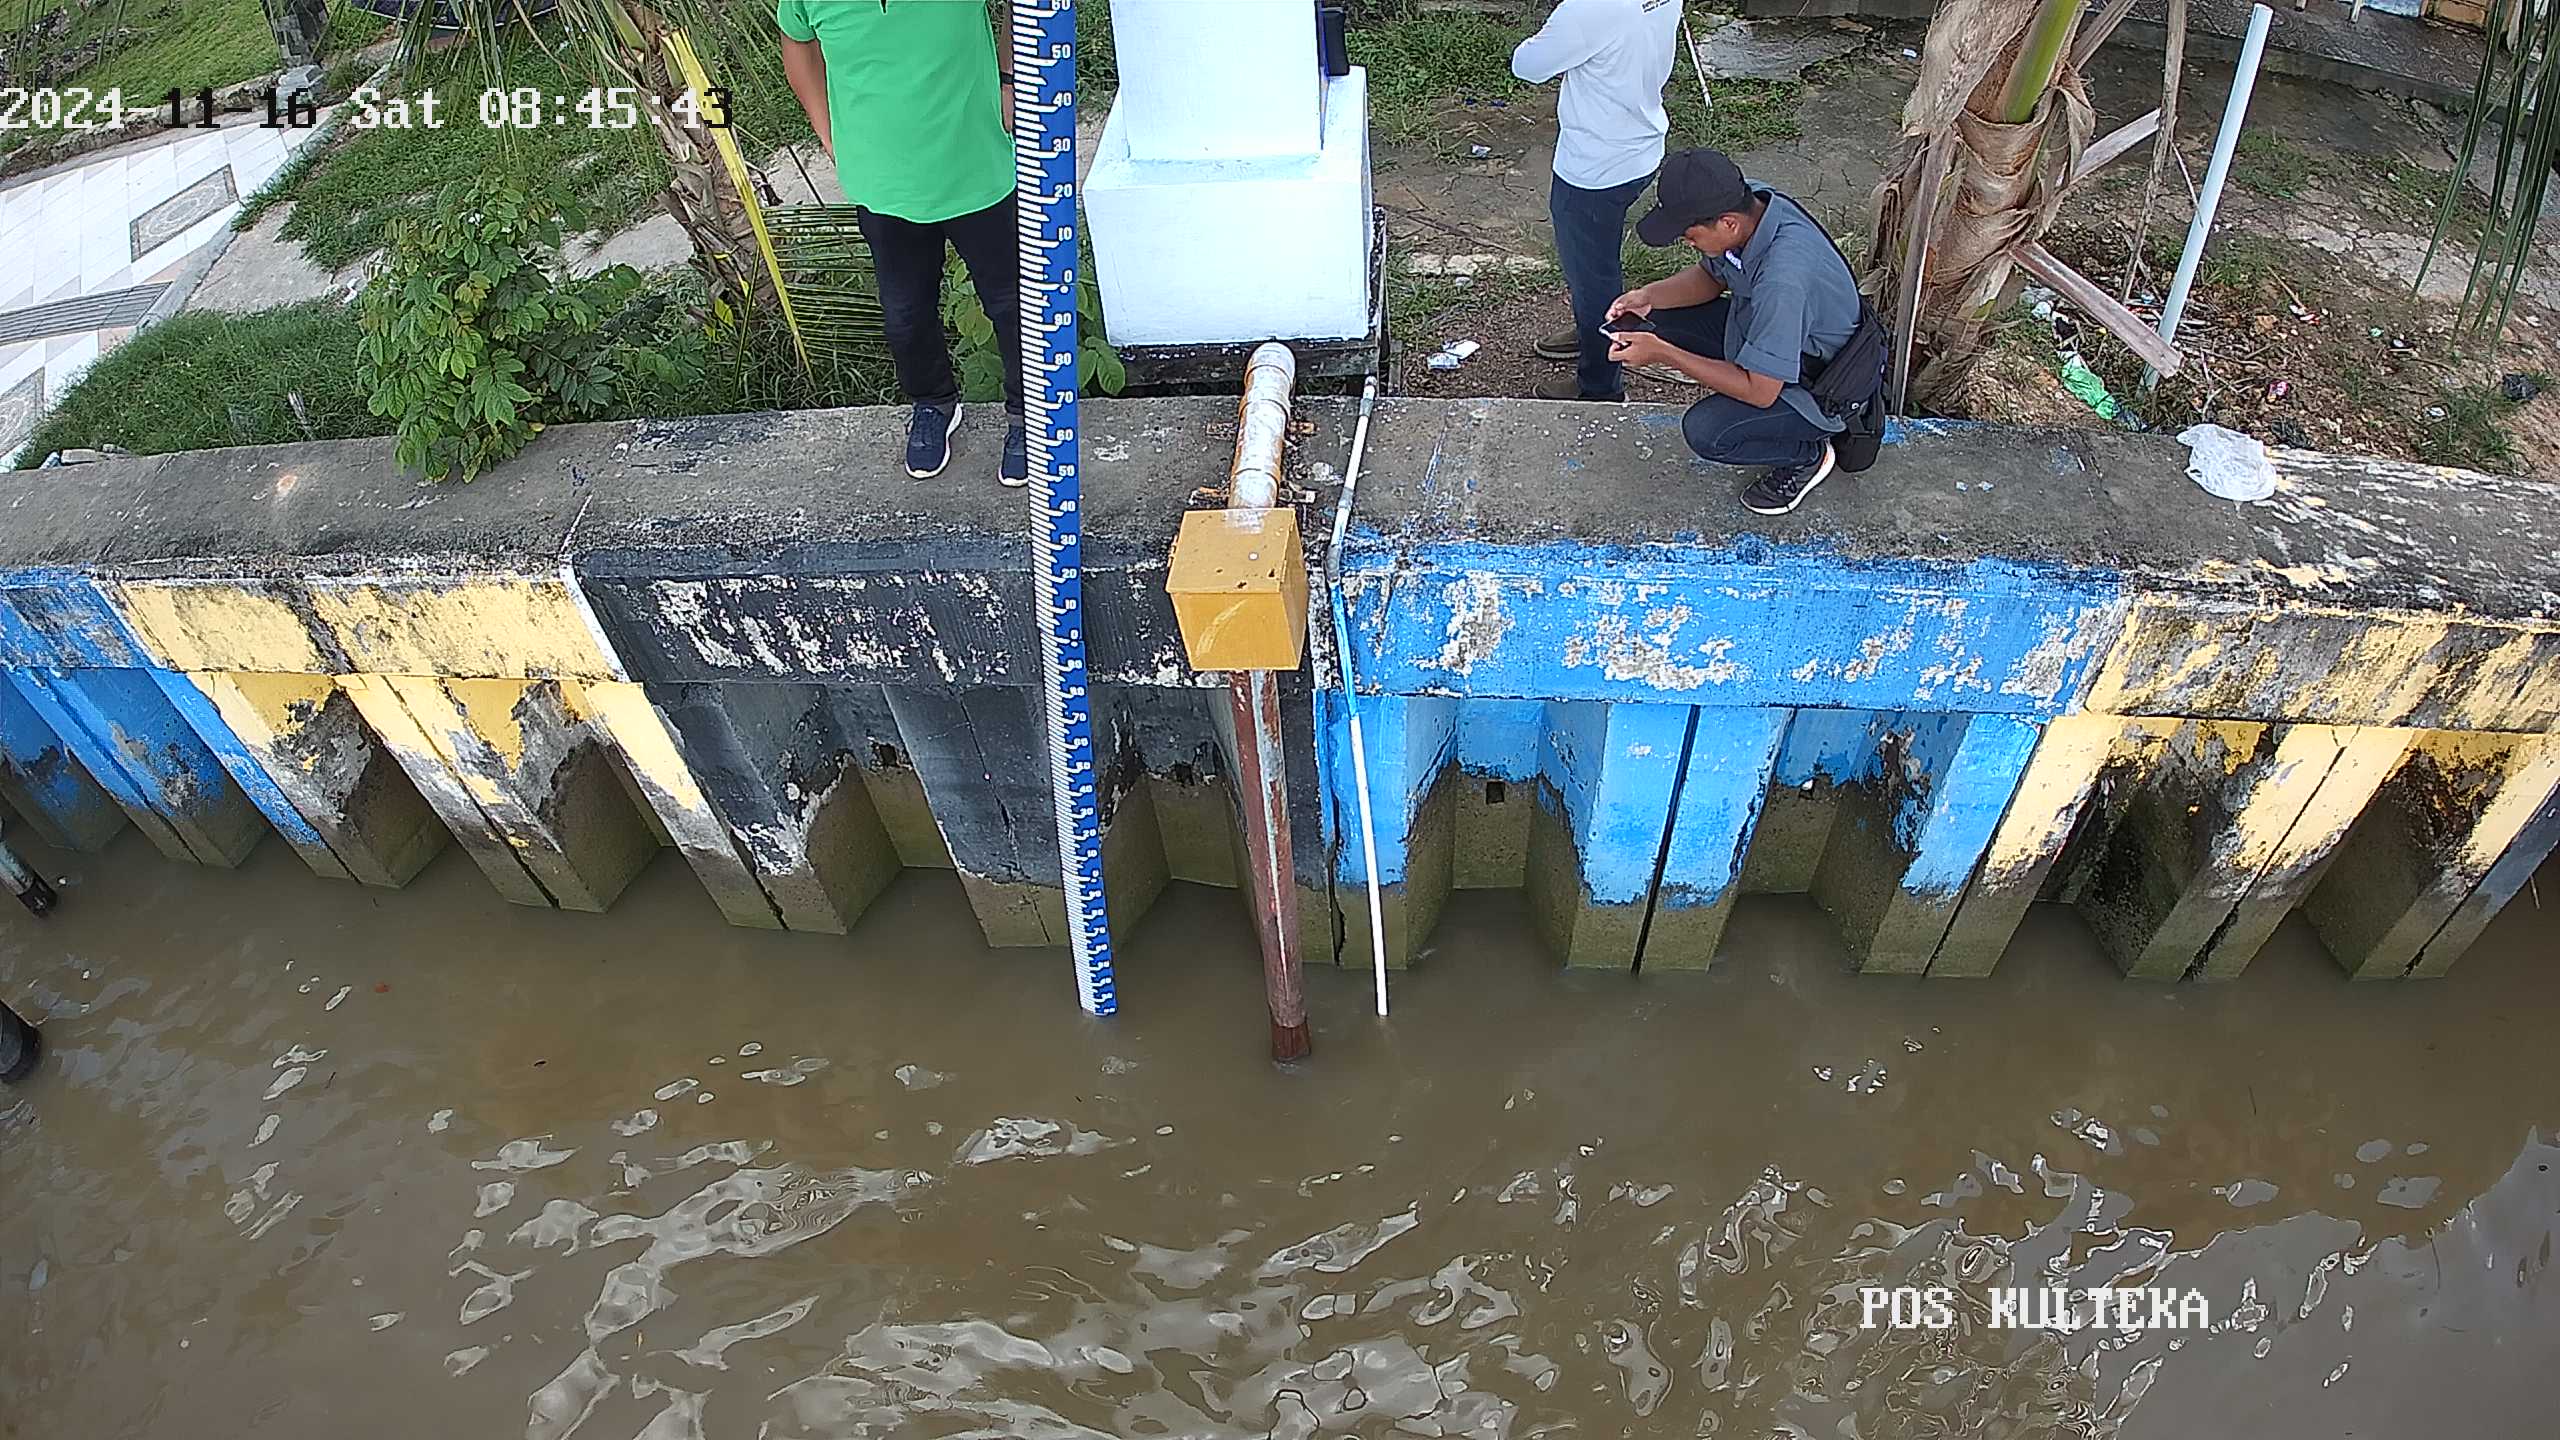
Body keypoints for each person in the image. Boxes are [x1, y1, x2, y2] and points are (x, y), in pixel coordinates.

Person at [778, 0, 1026, 486]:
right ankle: (933, 404)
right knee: (905, 313)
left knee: (1013, 304)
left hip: (979, 165)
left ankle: (1027, 414)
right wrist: (827, 132)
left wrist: (1007, 78)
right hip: (883, 183)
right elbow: (797, 42)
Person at [1603, 147, 1867, 516]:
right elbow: (1712, 277)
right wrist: (1649, 296)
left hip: (1818, 387)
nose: (1687, 243)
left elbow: (1760, 391)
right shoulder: (1750, 203)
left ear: (1728, 223)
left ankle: (1807, 454)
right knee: (1657, 317)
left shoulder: (1782, 282)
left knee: (1708, 432)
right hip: (1765, 331)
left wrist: (1664, 353)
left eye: (1690, 235)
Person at [1510, 0, 1682, 403]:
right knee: (1598, 264)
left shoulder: (1588, 9)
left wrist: (1565, 34)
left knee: (1593, 280)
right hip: (1641, 147)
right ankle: (1592, 333)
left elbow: (1527, 65)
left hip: (1593, 170)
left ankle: (1600, 386)